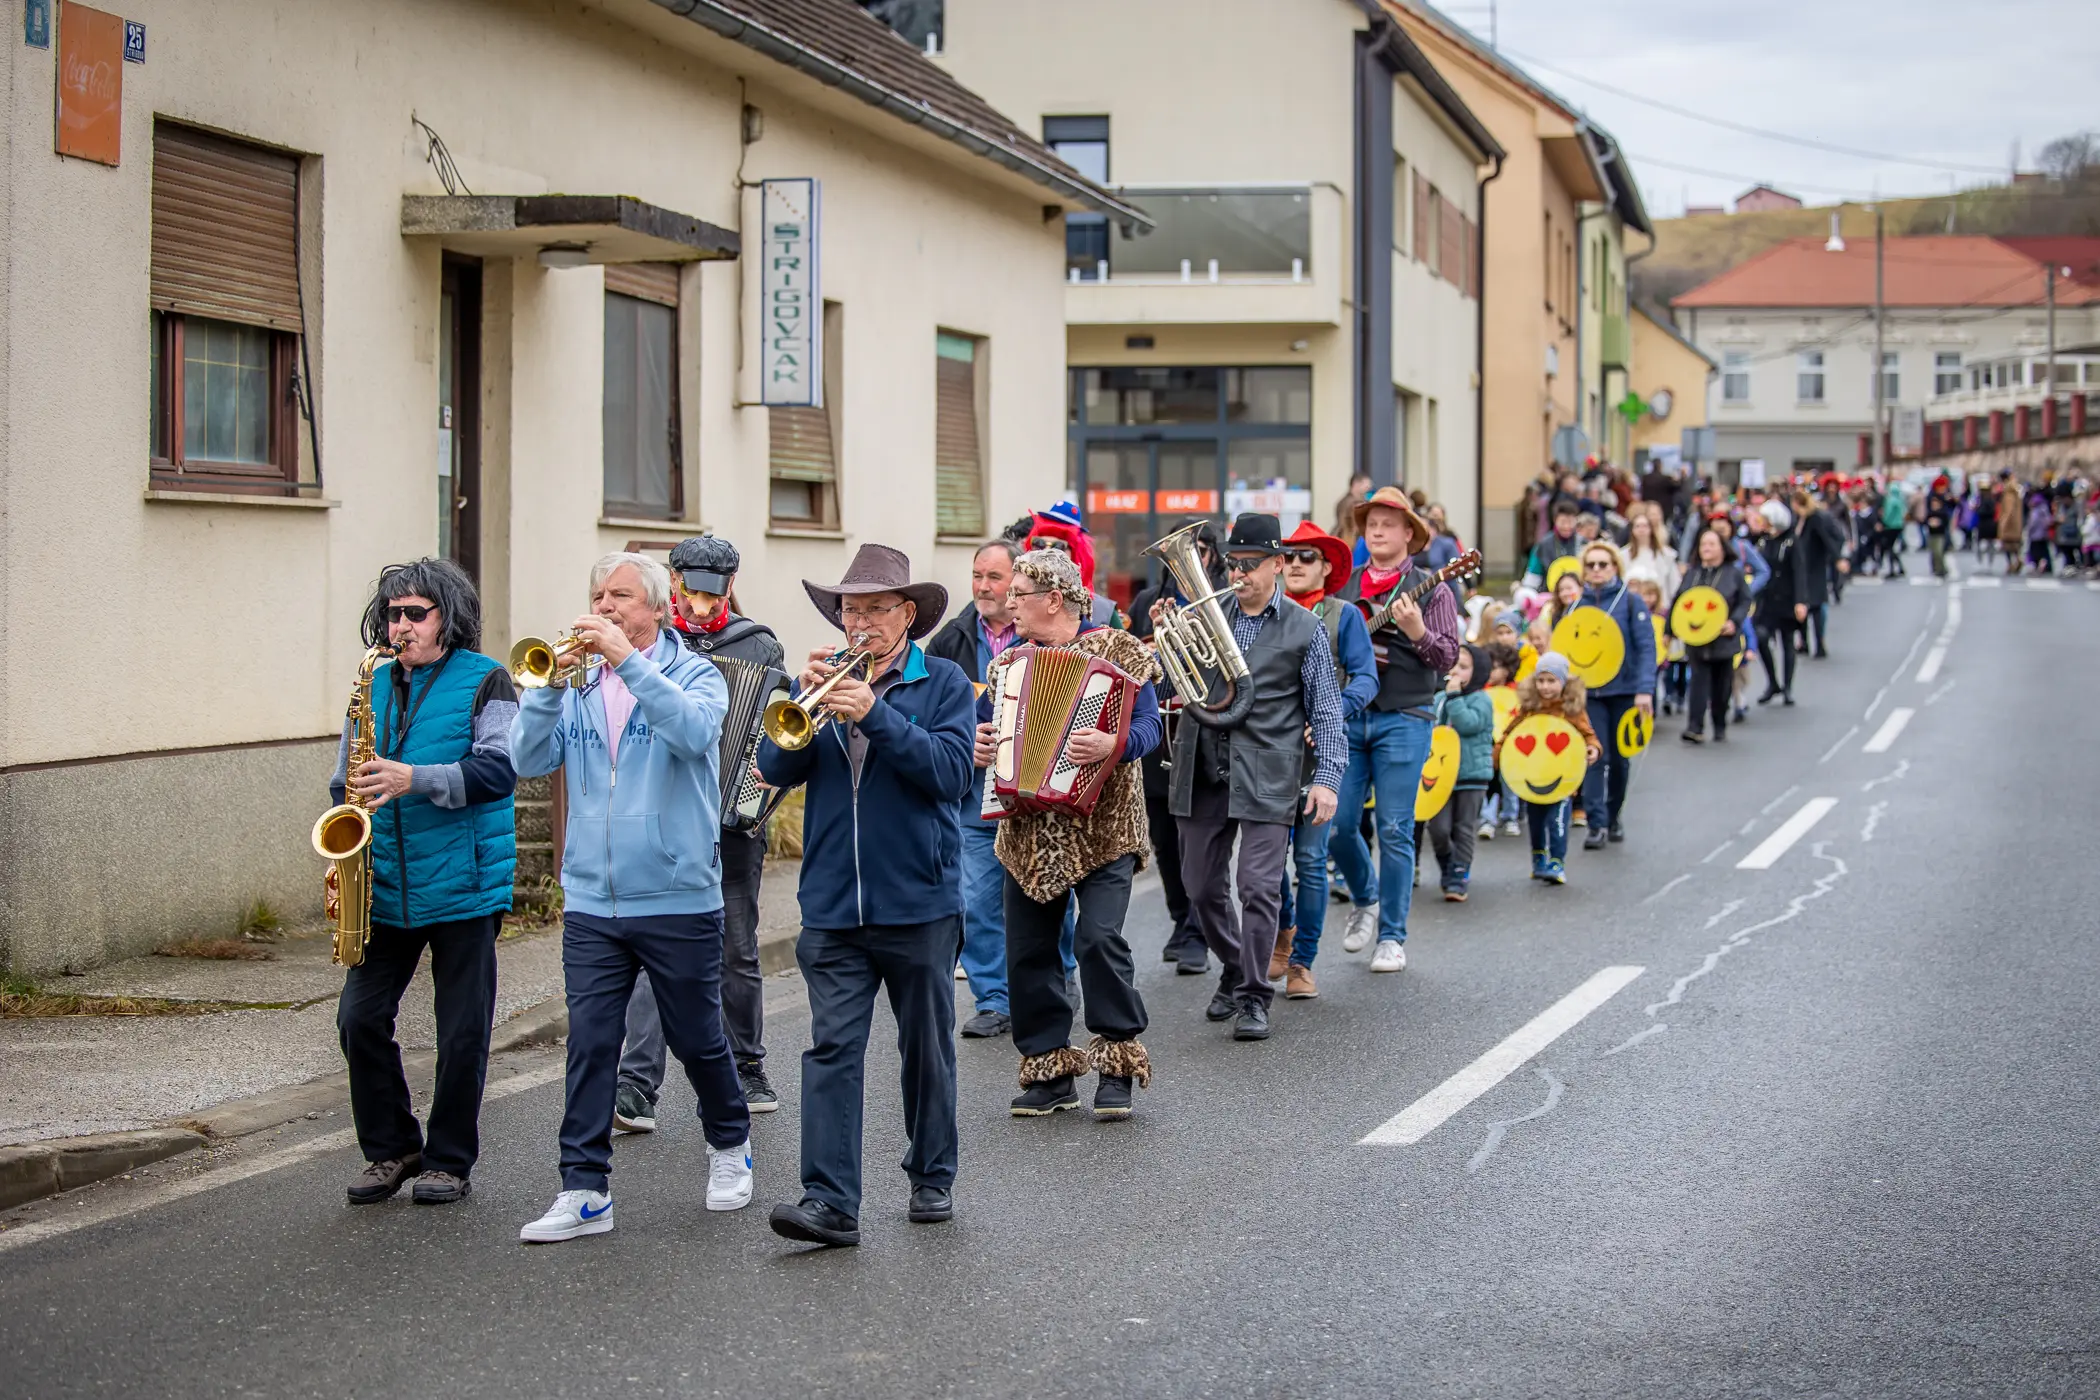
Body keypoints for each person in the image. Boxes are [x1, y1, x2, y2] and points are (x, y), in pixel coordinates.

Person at [511, 552, 750, 1243]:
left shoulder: (695, 673)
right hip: (592, 898)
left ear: (654, 608)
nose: (606, 606)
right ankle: (584, 1188)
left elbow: (696, 733)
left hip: (677, 894)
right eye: (598, 595)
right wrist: (546, 691)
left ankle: (730, 1145)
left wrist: (630, 663)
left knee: (697, 1039)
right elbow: (528, 761)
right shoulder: (579, 681)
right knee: (590, 1044)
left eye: (620, 596)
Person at [757, 545, 975, 1248]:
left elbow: (949, 775)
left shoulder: (945, 683)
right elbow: (774, 765)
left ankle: (931, 1173)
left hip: (920, 902)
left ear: (907, 614)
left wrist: (877, 715)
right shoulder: (818, 682)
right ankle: (829, 1201)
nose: (860, 622)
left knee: (926, 1049)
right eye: (851, 608)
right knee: (831, 1051)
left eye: (876, 609)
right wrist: (804, 699)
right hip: (832, 907)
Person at [334, 559, 517, 1208]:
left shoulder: (487, 681)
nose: (401, 625)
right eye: (392, 613)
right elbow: (343, 781)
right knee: (358, 1020)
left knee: (461, 1032)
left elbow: (498, 771)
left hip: (465, 884)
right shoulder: (373, 684)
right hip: (385, 886)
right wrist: (343, 842)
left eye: (416, 613)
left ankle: (447, 1161)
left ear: (449, 617)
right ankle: (392, 1147)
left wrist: (415, 779)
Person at [974, 549, 1162, 1118]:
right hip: (1029, 833)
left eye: (1019, 594)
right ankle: (1049, 1070)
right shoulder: (1009, 665)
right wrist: (984, 748)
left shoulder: (1121, 649)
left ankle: (1116, 1063)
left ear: (1054, 599)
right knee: (1028, 952)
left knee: (1098, 939)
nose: (1009, 605)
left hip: (1104, 828)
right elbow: (994, 738)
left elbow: (1151, 727)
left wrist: (1115, 745)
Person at [612, 534, 785, 1134]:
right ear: (673, 583)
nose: (705, 604)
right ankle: (637, 1083)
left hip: (735, 819)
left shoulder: (759, 646)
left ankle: (748, 1066)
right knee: (652, 950)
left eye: (716, 593)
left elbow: (778, 729)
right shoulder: (652, 645)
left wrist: (762, 791)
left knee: (737, 947)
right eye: (692, 591)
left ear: (731, 586)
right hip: (662, 817)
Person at [1162, 513, 1344, 1040]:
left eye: (1251, 565)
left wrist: (1328, 776)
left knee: (1259, 887)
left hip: (1268, 771)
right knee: (1198, 887)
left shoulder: (1305, 628)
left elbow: (1326, 710)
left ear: (1278, 564)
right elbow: (1175, 682)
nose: (1238, 574)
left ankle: (1253, 996)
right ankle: (1240, 965)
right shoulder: (1202, 613)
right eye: (1234, 563)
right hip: (1202, 768)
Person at [925, 539, 1073, 1039]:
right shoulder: (950, 640)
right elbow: (931, 714)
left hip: (1041, 788)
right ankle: (993, 997)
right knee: (978, 894)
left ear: (1019, 583)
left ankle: (1062, 972)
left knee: (1050, 884)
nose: (985, 587)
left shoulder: (1049, 632)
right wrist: (966, 744)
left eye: (995, 577)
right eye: (977, 576)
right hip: (977, 789)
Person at [1330, 488, 1463, 973]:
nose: (1378, 530)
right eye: (1371, 523)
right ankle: (1366, 896)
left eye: (1389, 523)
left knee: (1393, 827)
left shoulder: (1436, 587)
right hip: (1347, 717)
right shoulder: (1344, 589)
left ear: (1409, 533)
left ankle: (1391, 935)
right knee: (1339, 825)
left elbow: (1446, 659)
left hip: (1405, 716)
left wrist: (1417, 632)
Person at [1270, 521, 1378, 998]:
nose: (1295, 563)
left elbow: (1366, 679)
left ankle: (1301, 962)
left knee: (1311, 860)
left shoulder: (1345, 615)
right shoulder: (1262, 613)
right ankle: (1284, 928)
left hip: (1320, 756)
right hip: (1269, 756)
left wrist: (1331, 712)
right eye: (1288, 555)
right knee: (1267, 866)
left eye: (1306, 556)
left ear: (1327, 567)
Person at [1128, 525, 1221, 974]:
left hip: (1202, 729)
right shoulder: (1147, 603)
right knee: (1163, 836)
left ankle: (1200, 929)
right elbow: (1127, 660)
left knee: (1197, 834)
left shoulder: (1222, 603)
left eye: (1202, 550)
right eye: (1188, 551)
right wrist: (1155, 642)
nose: (1194, 558)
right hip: (1159, 730)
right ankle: (1181, 919)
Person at [1572, 540, 1656, 851]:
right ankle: (1596, 824)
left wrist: (1644, 690)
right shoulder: (1575, 607)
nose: (1596, 570)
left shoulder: (1631, 603)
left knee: (1620, 760)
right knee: (1595, 756)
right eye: (1590, 565)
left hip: (1625, 691)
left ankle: (1613, 814)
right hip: (1591, 694)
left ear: (1615, 568)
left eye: (1602, 564)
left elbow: (1647, 648)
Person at [1494, 653, 1598, 885]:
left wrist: (1592, 748)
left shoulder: (1572, 710)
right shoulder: (1529, 709)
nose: (1545, 686)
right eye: (1541, 681)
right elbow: (1511, 734)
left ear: (1563, 682)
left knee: (1557, 819)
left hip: (1562, 779)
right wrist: (1499, 753)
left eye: (1551, 681)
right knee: (1536, 821)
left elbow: (1588, 735)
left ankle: (1557, 862)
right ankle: (1538, 858)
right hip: (1533, 777)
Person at [1424, 644, 1493, 900]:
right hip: (1441, 775)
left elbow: (1469, 724)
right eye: (1453, 665)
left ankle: (1460, 874)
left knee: (1464, 827)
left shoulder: (1481, 699)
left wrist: (1454, 698)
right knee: (1438, 828)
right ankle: (1447, 866)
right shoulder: (1440, 699)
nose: (1455, 673)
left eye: (1463, 668)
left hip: (1471, 774)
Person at [1678, 526, 1751, 745]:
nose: (1706, 548)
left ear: (1721, 548)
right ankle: (1695, 727)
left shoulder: (1733, 573)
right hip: (1697, 639)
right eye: (1703, 544)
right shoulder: (1693, 573)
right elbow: (1679, 601)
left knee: (1722, 686)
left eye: (1711, 544)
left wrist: (1734, 622)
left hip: (1724, 639)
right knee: (1698, 683)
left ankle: (1719, 723)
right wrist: (1669, 631)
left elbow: (1745, 601)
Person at [1754, 501, 1809, 707]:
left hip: (1787, 598)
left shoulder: (1791, 542)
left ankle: (1787, 687)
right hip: (1767, 600)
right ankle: (1772, 682)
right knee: (1761, 638)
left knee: (1787, 643)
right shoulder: (1763, 541)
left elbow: (1799, 572)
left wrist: (1800, 601)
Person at [1789, 490, 1848, 660]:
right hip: (1801, 566)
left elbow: (1827, 539)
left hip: (1815, 566)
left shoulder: (1815, 518)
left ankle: (1819, 643)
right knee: (1802, 604)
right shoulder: (1799, 519)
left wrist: (1837, 559)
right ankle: (1804, 642)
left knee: (1816, 606)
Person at [1520, 500, 1584, 590]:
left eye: (1570, 522)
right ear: (1555, 520)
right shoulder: (1543, 544)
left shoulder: (1583, 543)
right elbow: (1533, 576)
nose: (1566, 526)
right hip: (1549, 594)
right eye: (1563, 522)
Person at [1924, 475, 1957, 579]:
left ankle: (1941, 568)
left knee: (1940, 548)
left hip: (1942, 526)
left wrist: (1952, 500)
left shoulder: (1944, 496)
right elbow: (1928, 512)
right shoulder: (1931, 497)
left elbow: (1951, 508)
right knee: (1935, 549)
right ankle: (1937, 568)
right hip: (1933, 527)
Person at [1996, 471, 2026, 575]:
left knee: (2007, 545)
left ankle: (2012, 563)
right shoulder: (2016, 491)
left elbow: (2008, 510)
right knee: (2014, 545)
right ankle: (2017, 560)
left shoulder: (2008, 492)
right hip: (2016, 523)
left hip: (2010, 524)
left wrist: (2003, 522)